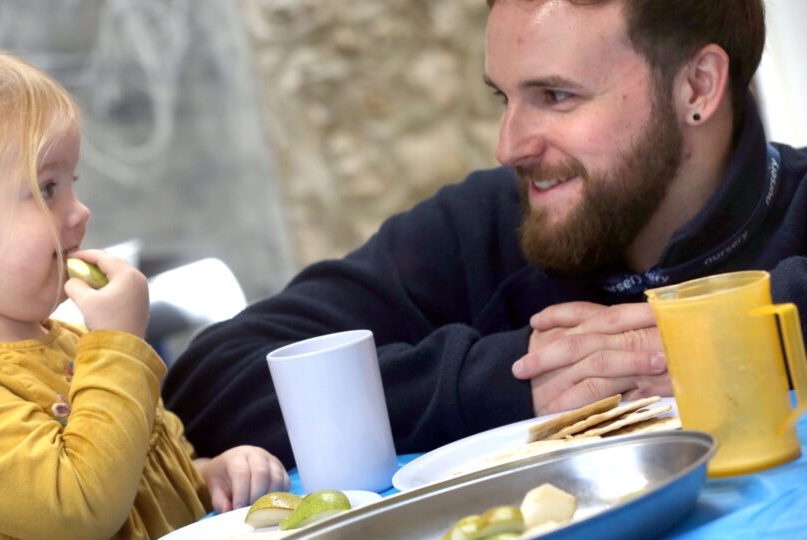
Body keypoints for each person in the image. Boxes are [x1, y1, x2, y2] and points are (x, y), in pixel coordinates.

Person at [162, 0, 807, 467]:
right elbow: (212, 381)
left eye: (556, 96)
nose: (509, 146)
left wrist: (735, 333)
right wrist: (500, 383)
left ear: (697, 86)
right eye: (504, 98)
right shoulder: (486, 223)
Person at [0, 38, 288, 538]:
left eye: (71, 183)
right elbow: (80, 508)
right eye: (47, 189)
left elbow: (137, 483)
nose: (80, 212)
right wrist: (121, 346)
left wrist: (211, 476)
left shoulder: (74, 344)